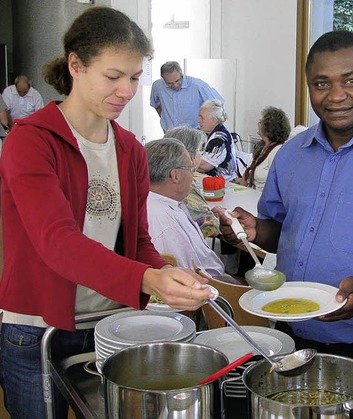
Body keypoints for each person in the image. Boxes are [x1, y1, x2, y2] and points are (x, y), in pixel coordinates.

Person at [0, 8, 214, 418]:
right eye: (113, 76)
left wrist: (165, 273)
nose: (127, 90)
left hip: (110, 329)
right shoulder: (31, 142)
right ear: (76, 66)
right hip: (37, 328)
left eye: (134, 77)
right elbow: (57, 242)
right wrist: (147, 278)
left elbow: (136, 242)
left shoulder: (130, 149)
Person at [214, 30, 353, 409]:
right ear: (308, 86)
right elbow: (277, 231)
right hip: (289, 330)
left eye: (351, 80)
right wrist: (253, 230)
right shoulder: (291, 155)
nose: (336, 96)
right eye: (321, 83)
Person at [145, 138, 227, 278]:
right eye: (191, 169)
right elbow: (191, 279)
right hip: (211, 290)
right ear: (175, 176)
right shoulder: (163, 219)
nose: (193, 177)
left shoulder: (166, 202)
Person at [164, 126, 220, 238]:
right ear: (191, 157)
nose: (201, 155)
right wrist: (219, 216)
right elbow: (211, 229)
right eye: (200, 151)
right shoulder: (183, 183)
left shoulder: (159, 177)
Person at [150, 61, 224, 132]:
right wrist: (165, 120)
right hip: (169, 132)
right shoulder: (157, 86)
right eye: (169, 84)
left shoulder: (197, 85)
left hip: (194, 133)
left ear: (181, 74)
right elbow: (156, 104)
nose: (175, 85)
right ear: (163, 79)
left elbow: (217, 106)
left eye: (177, 81)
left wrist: (205, 127)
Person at [239, 106, 291, 191]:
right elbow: (248, 173)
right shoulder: (260, 147)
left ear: (269, 127)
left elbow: (281, 184)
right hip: (249, 195)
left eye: (260, 122)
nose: (258, 124)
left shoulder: (278, 151)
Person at [197, 99, 237, 181]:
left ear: (213, 120)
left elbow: (204, 165)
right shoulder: (210, 134)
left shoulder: (219, 138)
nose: (199, 121)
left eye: (202, 118)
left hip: (224, 183)